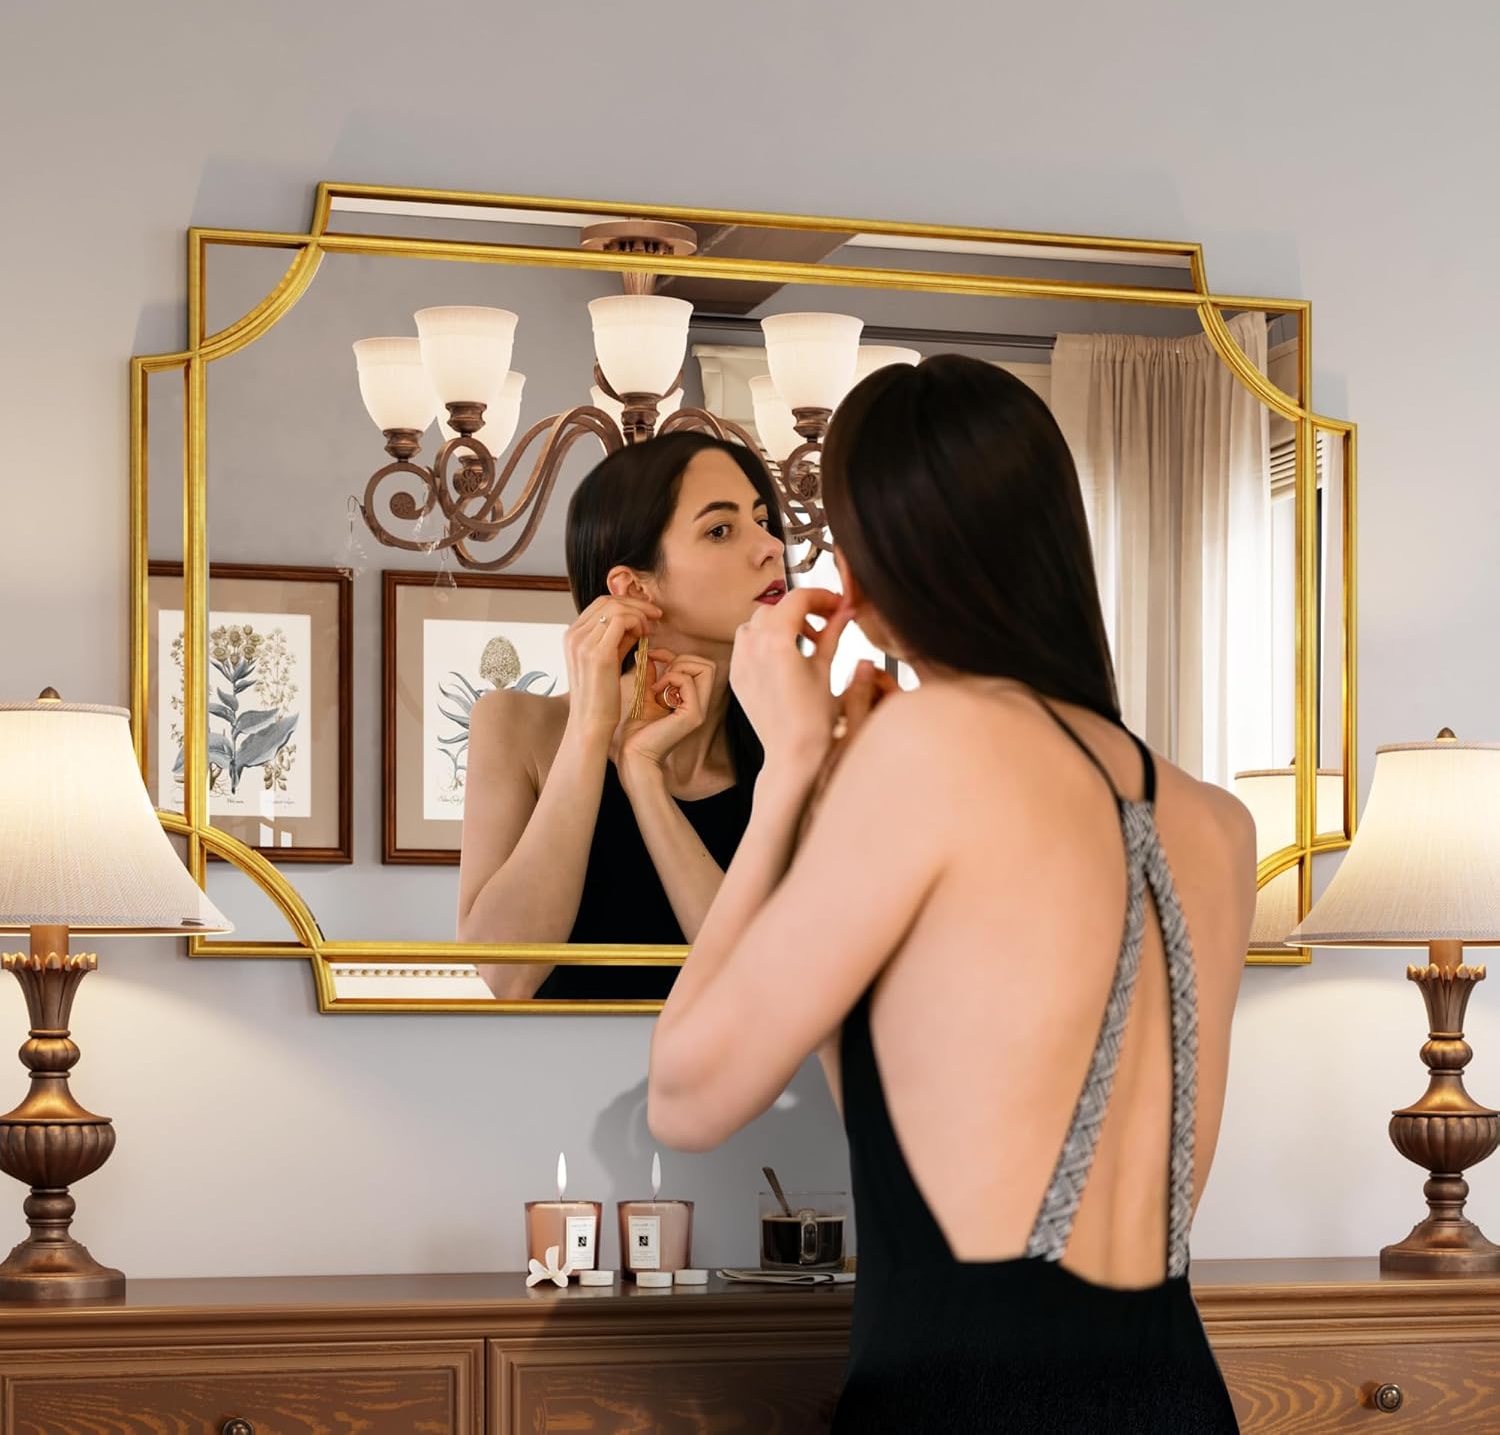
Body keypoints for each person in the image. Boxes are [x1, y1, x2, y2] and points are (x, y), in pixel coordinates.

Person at [648, 355, 1254, 1431]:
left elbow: (686, 1098)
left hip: (962, 1402)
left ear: (868, 572)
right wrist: (840, 801)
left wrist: (789, 771)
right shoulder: (1214, 824)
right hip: (1176, 1394)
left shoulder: (936, 748)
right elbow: (921, 1119)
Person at [457, 430, 790, 1001]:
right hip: (562, 1064)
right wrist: (591, 731)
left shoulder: (798, 742)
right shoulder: (515, 724)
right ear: (633, 587)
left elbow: (763, 988)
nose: (771, 547)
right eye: (720, 530)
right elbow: (506, 975)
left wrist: (645, 782)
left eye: (762, 520)